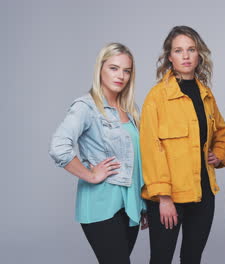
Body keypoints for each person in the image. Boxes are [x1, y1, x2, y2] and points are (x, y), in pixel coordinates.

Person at [49, 43, 147, 264]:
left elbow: (138, 161)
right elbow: (58, 147)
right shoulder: (86, 106)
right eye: (114, 68)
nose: (121, 75)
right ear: (100, 69)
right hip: (101, 204)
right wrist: (91, 175)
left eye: (126, 70)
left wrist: (143, 204)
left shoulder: (131, 110)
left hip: (129, 206)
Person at [140, 25, 225, 264]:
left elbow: (221, 131)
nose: (186, 56)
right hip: (169, 198)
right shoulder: (157, 97)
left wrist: (218, 154)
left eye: (191, 49)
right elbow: (150, 149)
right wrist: (164, 198)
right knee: (161, 259)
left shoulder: (206, 95)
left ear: (199, 54)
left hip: (203, 195)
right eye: (179, 50)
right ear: (170, 56)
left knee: (192, 258)